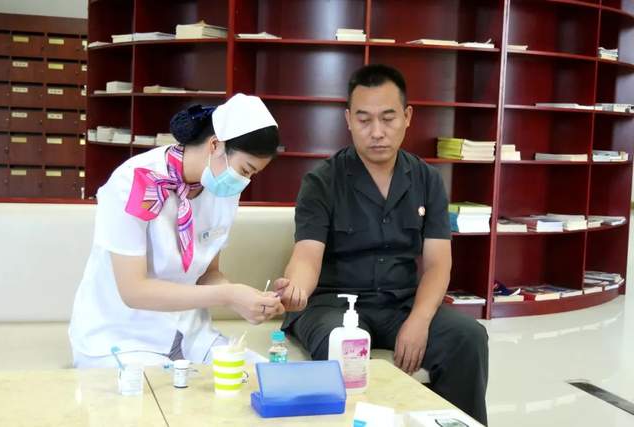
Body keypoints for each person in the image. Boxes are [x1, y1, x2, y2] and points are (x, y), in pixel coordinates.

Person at [274, 65, 489, 424]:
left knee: (468, 337)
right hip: (331, 304)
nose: (377, 132)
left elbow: (438, 264)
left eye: (388, 118)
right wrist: (296, 289)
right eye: (364, 120)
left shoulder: (427, 180)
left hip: (400, 303)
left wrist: (419, 319)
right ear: (348, 120)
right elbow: (307, 255)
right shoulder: (322, 181)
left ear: (407, 117)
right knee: (343, 343)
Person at [69, 94, 284, 368]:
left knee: (261, 375)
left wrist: (243, 300)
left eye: (252, 174)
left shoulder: (222, 190)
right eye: (245, 169)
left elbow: (208, 274)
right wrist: (228, 295)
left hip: (190, 335)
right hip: (123, 338)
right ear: (215, 145)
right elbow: (134, 291)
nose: (244, 181)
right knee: (172, 394)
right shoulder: (133, 182)